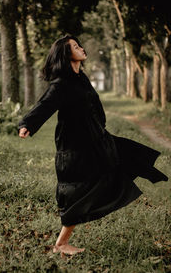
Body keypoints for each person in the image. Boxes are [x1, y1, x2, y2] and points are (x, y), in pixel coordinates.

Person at [18, 35, 168, 256]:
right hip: (75, 146)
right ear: (66, 55)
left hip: (95, 138)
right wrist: (27, 124)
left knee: (124, 157)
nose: (81, 48)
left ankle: (149, 175)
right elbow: (44, 105)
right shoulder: (61, 84)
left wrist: (100, 126)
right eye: (76, 47)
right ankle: (61, 244)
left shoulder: (81, 78)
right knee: (80, 190)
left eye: (79, 45)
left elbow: (93, 104)